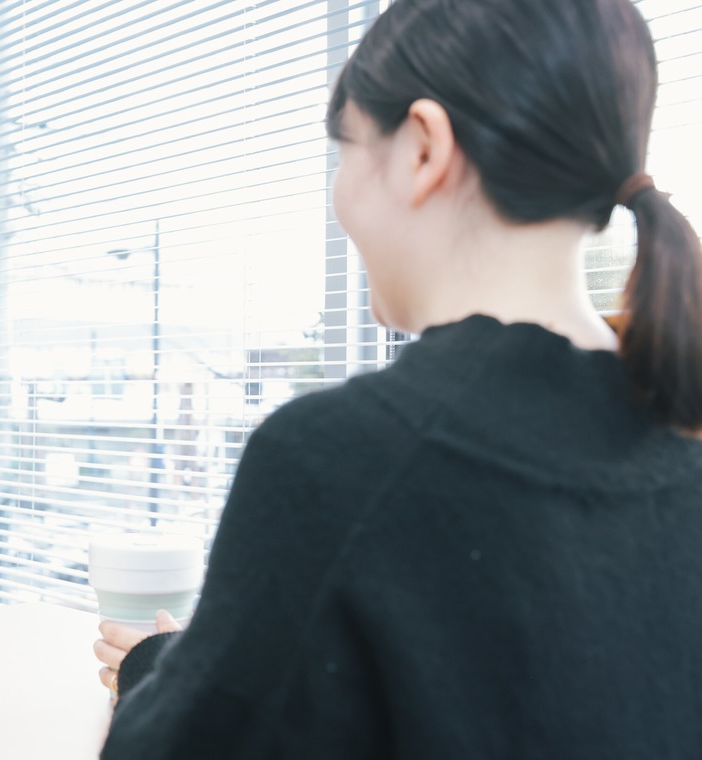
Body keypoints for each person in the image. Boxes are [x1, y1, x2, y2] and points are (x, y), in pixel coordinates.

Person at [95, 0, 702, 756]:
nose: (340, 194)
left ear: (422, 148)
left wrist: (164, 673)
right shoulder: (678, 435)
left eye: (345, 150)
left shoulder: (333, 461)